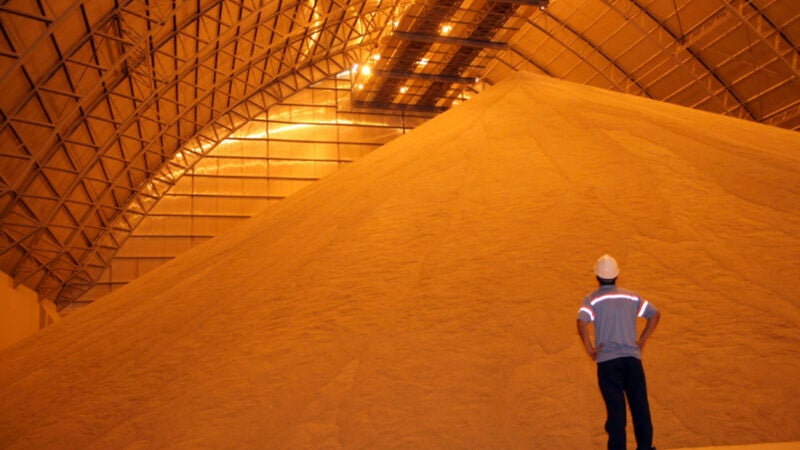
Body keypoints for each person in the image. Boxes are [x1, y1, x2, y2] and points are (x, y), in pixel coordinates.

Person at [577, 254, 661, 450]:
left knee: (616, 411)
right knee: (640, 406)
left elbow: (581, 322)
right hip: (632, 360)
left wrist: (590, 349)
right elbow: (654, 315)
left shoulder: (592, 299)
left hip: (607, 363)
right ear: (617, 275)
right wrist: (642, 341)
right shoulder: (631, 296)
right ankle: (645, 447)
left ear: (596, 276)